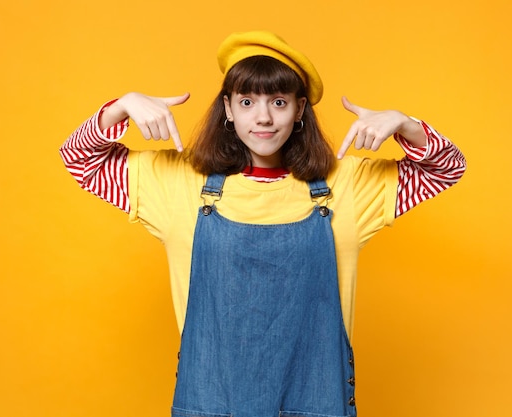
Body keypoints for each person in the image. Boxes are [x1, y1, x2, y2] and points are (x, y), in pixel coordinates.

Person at [60, 31, 466, 417]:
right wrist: (122, 106)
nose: (264, 118)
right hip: (211, 403)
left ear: (300, 109)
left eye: (278, 101)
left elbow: (446, 169)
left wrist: (405, 124)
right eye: (248, 101)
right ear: (228, 109)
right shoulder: (179, 184)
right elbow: (79, 160)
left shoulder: (349, 187)